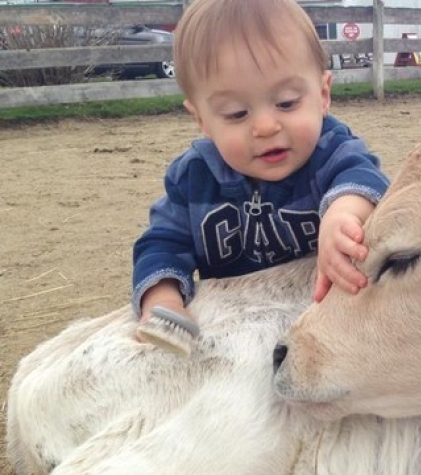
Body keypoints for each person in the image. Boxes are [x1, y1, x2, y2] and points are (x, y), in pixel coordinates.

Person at [132, 0, 389, 333]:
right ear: (202, 120)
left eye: (286, 103)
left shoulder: (331, 150)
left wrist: (344, 213)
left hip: (326, 320)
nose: (266, 126)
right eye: (237, 113)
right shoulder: (193, 179)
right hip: (239, 330)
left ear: (323, 95)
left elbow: (363, 178)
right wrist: (162, 299)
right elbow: (161, 244)